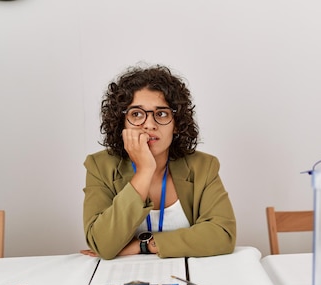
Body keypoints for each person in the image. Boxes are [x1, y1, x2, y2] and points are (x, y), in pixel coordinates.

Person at [81, 64, 236, 260]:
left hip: (187, 278)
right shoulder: (99, 166)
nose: (149, 124)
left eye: (161, 114)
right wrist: (144, 171)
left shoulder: (204, 166)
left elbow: (223, 235)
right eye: (136, 114)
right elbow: (101, 244)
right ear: (122, 123)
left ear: (177, 123)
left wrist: (144, 245)